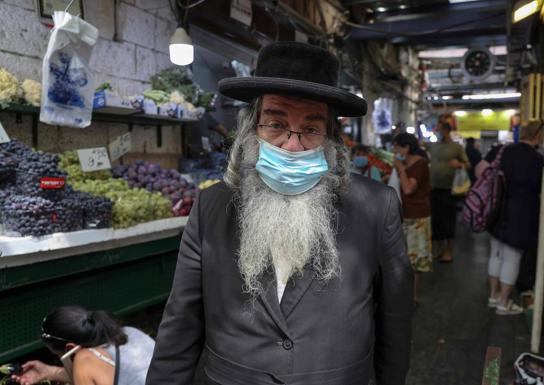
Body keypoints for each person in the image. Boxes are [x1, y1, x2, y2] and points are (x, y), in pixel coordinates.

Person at [146, 42, 413, 385]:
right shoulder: (211, 206)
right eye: (275, 123)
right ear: (250, 129)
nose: (292, 145)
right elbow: (180, 323)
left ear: (331, 138)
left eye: (311, 129)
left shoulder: (378, 206)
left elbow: (395, 322)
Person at [486, 121, 544, 315]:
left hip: (500, 207)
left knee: (496, 254)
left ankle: (493, 296)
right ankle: (504, 303)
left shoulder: (506, 151)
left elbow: (483, 171)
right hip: (521, 213)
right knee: (512, 258)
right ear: (538, 135)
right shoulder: (536, 159)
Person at [12, 306, 155, 385]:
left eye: (57, 354)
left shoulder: (85, 359)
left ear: (69, 348)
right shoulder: (129, 332)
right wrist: (49, 372)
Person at [393, 133, 432, 305]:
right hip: (404, 214)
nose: (395, 150)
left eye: (397, 147)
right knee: (403, 258)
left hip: (417, 216)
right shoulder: (407, 163)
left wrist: (400, 169)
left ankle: (413, 297)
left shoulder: (420, 164)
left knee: (415, 259)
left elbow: (408, 188)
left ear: (406, 147)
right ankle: (402, 294)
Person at [427, 121, 470, 263]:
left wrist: (460, 165)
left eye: (438, 130)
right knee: (436, 222)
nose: (436, 132)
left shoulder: (456, 147)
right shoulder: (434, 146)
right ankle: (439, 249)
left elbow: (468, 164)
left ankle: (449, 251)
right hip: (434, 188)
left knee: (448, 221)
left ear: (446, 130)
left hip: (449, 190)